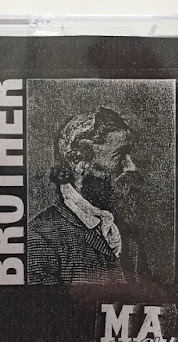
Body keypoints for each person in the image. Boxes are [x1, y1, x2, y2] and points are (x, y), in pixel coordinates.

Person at [27, 106, 144, 285]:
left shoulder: (124, 233)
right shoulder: (40, 238)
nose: (131, 167)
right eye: (118, 155)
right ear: (78, 161)